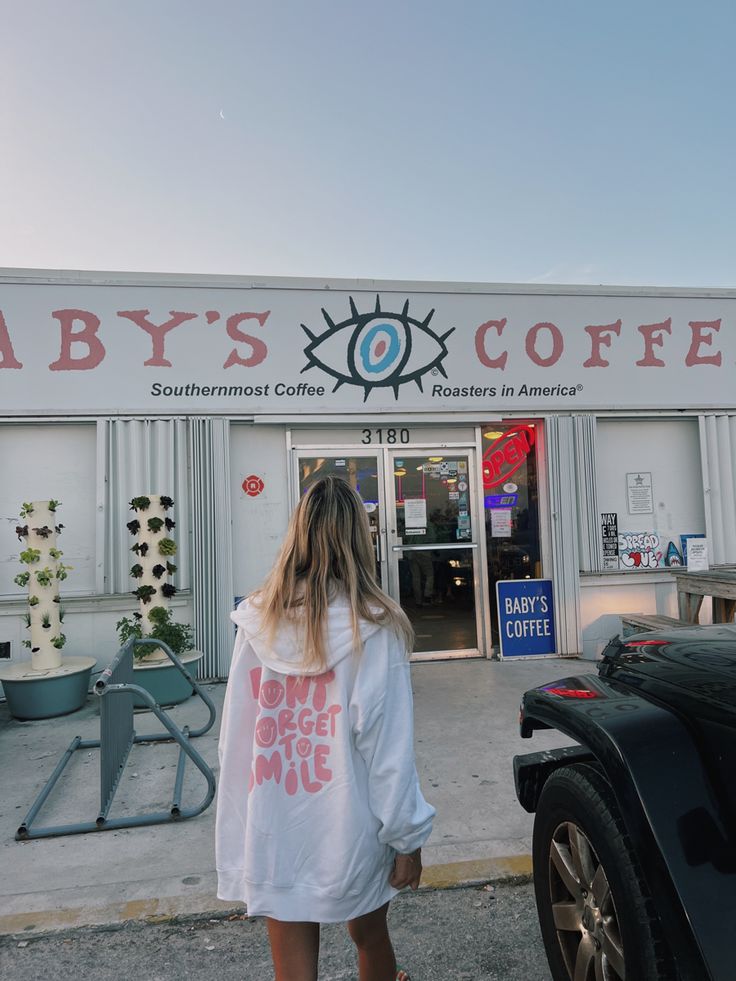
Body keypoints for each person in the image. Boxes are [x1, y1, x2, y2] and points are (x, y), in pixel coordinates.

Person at [216, 476, 435, 981]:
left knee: (292, 970)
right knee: (370, 938)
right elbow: (388, 753)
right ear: (362, 537)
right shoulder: (376, 628)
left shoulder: (257, 620)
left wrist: (241, 822)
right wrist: (407, 837)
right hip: (350, 824)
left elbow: (237, 737)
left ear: (297, 533)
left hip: (273, 823)